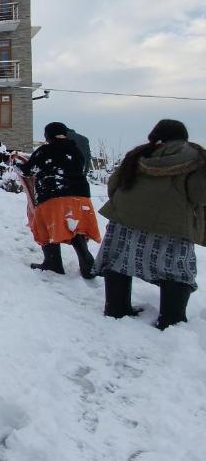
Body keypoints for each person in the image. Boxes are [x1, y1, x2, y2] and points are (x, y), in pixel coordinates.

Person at [94, 119, 205, 329]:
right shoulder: (196, 158)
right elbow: (200, 195)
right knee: (176, 270)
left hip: (125, 219)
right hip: (172, 225)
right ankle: (171, 320)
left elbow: (114, 184)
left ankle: (116, 308)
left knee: (119, 259)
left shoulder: (139, 154)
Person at [16, 122, 101, 278]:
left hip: (53, 196)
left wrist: (16, 163)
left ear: (48, 135)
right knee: (76, 228)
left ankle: (53, 262)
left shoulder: (45, 151)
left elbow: (28, 171)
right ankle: (87, 263)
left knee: (47, 227)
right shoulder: (76, 151)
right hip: (80, 197)